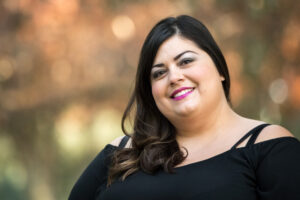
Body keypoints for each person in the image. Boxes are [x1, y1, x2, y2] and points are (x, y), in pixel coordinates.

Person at [68, 15, 300, 200]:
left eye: (186, 61)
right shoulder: (121, 153)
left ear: (220, 69)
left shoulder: (269, 146)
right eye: (159, 73)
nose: (174, 77)